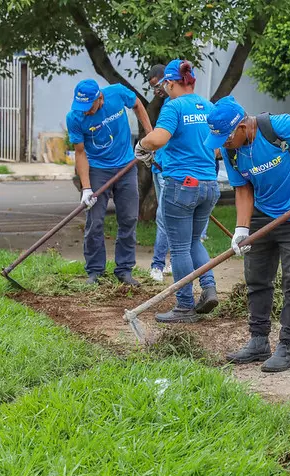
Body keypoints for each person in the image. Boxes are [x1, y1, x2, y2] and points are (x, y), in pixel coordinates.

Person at [205, 96, 290, 372]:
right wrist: (242, 228)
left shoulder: (277, 127)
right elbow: (243, 188)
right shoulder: (232, 151)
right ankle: (258, 340)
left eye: (226, 137)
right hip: (262, 216)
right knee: (257, 280)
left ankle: (287, 346)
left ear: (242, 126)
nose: (223, 145)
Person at [135, 59, 219, 322]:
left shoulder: (174, 107)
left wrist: (143, 145)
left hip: (181, 185)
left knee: (180, 247)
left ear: (171, 82)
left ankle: (184, 306)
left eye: (165, 85)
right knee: (194, 241)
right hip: (208, 185)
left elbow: (158, 138)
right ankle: (209, 288)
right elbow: (216, 148)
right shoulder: (208, 106)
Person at [66, 78, 153, 286]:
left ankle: (124, 270)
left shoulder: (117, 93)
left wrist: (151, 137)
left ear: (100, 98)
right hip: (97, 170)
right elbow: (80, 153)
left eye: (89, 106)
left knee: (129, 219)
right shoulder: (75, 117)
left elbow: (138, 104)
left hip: (126, 166)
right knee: (95, 222)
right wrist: (86, 188)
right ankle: (95, 271)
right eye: (81, 107)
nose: (85, 111)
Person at [146, 64, 173, 283]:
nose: (156, 91)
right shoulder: (166, 103)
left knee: (164, 217)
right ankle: (170, 261)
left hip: (169, 170)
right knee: (165, 217)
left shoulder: (176, 105)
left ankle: (158, 264)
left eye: (157, 85)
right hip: (158, 165)